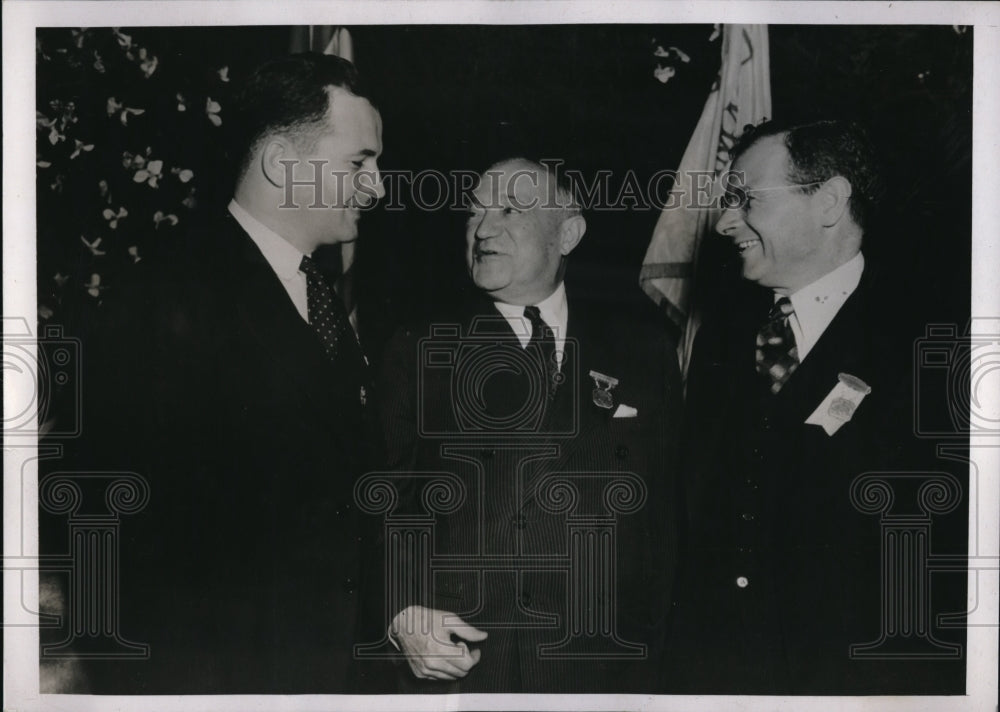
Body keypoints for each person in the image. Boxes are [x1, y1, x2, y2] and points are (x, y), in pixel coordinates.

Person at [68, 52, 386, 693]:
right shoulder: (168, 298)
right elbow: (132, 552)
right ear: (280, 163)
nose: (376, 187)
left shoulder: (312, 293)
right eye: (360, 163)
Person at [667, 119, 966, 694]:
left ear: (828, 201)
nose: (726, 221)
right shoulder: (721, 337)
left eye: (746, 199)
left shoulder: (934, 343)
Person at [373, 158, 682, 692]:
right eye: (474, 214)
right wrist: (402, 613)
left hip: (605, 673)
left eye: (510, 210)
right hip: (468, 667)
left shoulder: (643, 350)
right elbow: (381, 504)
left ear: (568, 233)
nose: (483, 230)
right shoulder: (419, 348)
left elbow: (665, 519)